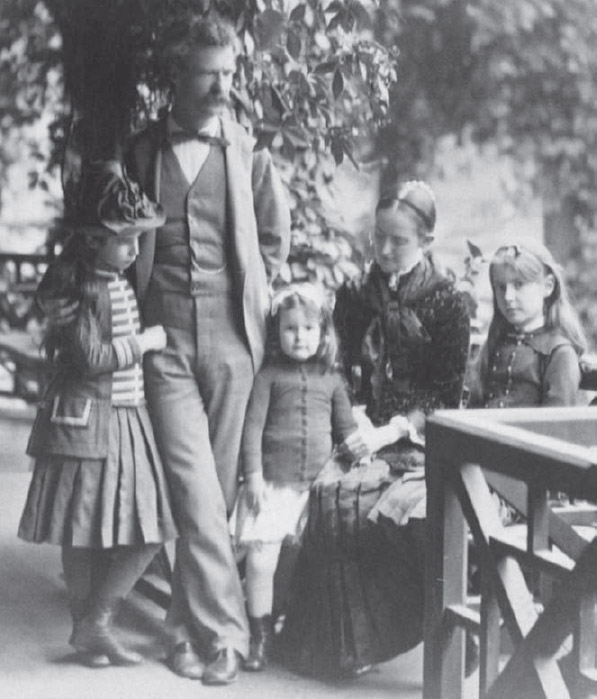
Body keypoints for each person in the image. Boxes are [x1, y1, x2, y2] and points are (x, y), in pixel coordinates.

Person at [124, 10, 291, 685]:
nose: (223, 87)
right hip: (163, 338)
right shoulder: (140, 152)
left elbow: (273, 241)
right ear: (176, 76)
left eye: (229, 74)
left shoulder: (250, 151)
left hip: (231, 339)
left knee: (215, 494)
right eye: (208, 75)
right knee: (194, 494)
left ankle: (184, 633)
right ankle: (226, 635)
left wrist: (258, 299)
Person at [279, 180, 471, 677]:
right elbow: (335, 364)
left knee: (369, 505)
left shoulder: (448, 302)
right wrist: (354, 413)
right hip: (355, 425)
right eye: (378, 237)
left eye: (399, 241)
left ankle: (370, 642)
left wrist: (390, 431)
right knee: (323, 492)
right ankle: (324, 643)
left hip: (416, 441)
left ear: (426, 241)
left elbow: (445, 396)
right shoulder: (355, 293)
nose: (384, 250)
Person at [18, 162, 177, 668]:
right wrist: (147, 341)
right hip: (86, 421)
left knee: (153, 526)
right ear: (93, 242)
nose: (133, 250)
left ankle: (95, 623)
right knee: (80, 527)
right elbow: (92, 358)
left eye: (135, 239)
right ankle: (90, 626)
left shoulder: (114, 278)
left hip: (126, 418)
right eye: (123, 240)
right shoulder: (81, 287)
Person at [233, 284, 362, 672]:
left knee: (303, 562)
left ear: (324, 333)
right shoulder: (268, 377)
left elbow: (347, 431)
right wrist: (253, 476)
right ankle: (259, 636)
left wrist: (361, 449)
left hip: (317, 491)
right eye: (290, 329)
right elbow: (252, 430)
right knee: (260, 562)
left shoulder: (333, 380)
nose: (300, 336)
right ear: (277, 333)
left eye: (309, 328)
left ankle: (295, 630)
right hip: (272, 486)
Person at [468, 240, 586, 409]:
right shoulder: (496, 344)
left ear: (548, 286)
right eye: (501, 287)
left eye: (518, 285)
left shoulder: (558, 353)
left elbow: (555, 424)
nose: (508, 296)